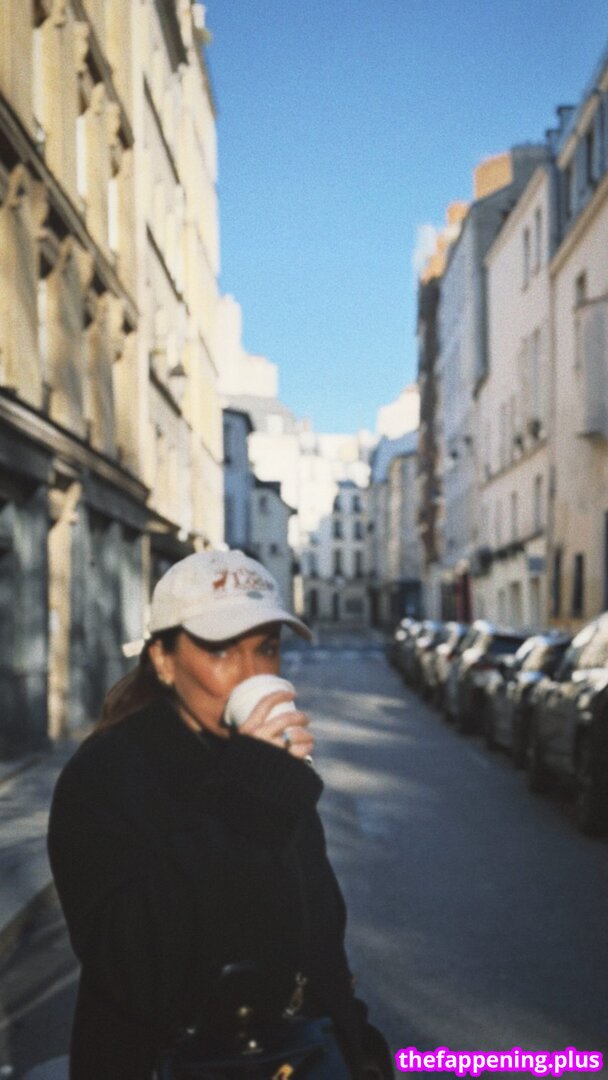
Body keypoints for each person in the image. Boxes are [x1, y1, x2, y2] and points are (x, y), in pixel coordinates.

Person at [48, 549, 392, 1080]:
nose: (251, 674)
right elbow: (130, 965)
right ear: (163, 660)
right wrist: (247, 805)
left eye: (267, 648)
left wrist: (356, 1042)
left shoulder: (266, 766)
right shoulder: (105, 774)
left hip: (292, 1058)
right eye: (221, 650)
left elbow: (318, 933)